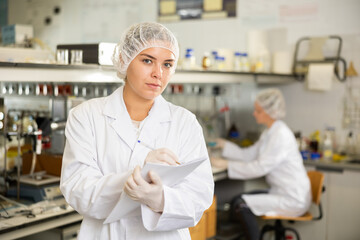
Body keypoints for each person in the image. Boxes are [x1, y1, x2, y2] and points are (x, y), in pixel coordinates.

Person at [60, 22, 214, 239]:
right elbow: (77, 190)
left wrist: (159, 198)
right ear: (124, 59)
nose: (158, 73)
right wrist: (133, 180)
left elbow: (199, 198)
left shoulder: (185, 123)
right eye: (147, 60)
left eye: (167, 64)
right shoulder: (86, 116)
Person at [211, 88, 311, 240]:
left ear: (270, 112)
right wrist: (225, 145)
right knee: (237, 200)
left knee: (241, 205)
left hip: (292, 198)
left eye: (258, 111)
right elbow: (249, 154)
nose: (254, 113)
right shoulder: (270, 132)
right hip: (281, 191)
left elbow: (260, 167)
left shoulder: (280, 135)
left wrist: (226, 164)